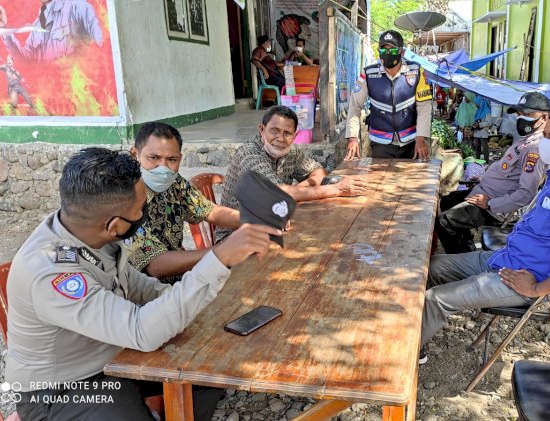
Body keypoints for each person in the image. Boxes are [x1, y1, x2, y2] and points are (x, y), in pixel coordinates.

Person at [5, 147, 281, 420]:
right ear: (114, 226)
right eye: (140, 209)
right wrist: (218, 257)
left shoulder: (87, 231)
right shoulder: (50, 272)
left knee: (207, 373)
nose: (144, 213)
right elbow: (142, 332)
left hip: (112, 354)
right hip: (62, 390)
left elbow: (141, 288)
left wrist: (208, 304)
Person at [419, 107, 550, 364]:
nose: (545, 142)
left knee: (435, 299)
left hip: (526, 278)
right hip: (507, 257)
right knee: (432, 267)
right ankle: (417, 334)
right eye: (545, 135)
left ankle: (400, 361)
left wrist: (537, 288)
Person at [217, 106, 368, 241]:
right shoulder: (249, 153)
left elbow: (318, 171)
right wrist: (337, 189)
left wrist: (298, 189)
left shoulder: (290, 152)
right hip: (235, 237)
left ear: (294, 136)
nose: (280, 139)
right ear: (262, 130)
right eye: (274, 131)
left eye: (287, 133)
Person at [127, 122, 243, 284]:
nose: (163, 167)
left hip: (181, 280)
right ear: (135, 154)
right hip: (142, 294)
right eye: (154, 158)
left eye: (171, 159)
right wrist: (221, 251)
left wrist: (256, 221)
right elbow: (155, 266)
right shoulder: (124, 198)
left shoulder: (175, 183)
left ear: (180, 158)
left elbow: (209, 211)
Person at [435, 91, 550, 254]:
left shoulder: (535, 149)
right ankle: (466, 247)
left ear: (544, 118)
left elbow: (526, 193)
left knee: (443, 223)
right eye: (519, 114)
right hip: (484, 192)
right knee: (447, 201)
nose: (520, 118)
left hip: (492, 206)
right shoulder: (526, 141)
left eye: (527, 114)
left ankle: (461, 262)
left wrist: (490, 203)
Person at [344, 30, 433, 160]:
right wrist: (353, 138)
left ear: (401, 52)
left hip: (411, 143)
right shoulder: (369, 74)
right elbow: (354, 107)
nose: (388, 53)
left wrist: (421, 139)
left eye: (392, 50)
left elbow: (424, 108)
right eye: (384, 50)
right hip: (380, 142)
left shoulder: (416, 71)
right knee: (380, 179)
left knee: (409, 179)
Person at [0, 0, 103, 63]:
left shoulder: (78, 8)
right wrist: (4, 27)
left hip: (82, 97)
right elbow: (23, 61)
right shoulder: (37, 26)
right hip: (54, 100)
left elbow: (105, 47)